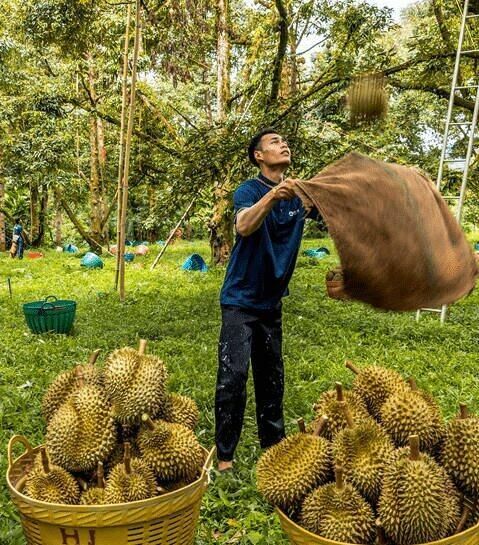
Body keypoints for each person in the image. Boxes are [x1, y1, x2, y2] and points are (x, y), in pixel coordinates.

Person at [215, 128, 319, 472]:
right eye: (274, 142)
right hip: (240, 300)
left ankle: (273, 449)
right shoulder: (249, 190)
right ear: (259, 156)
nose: (283, 144)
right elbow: (244, 226)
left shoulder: (300, 196)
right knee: (233, 377)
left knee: (271, 377)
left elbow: (339, 215)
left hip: (271, 303)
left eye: (285, 141)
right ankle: (225, 458)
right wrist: (274, 196)